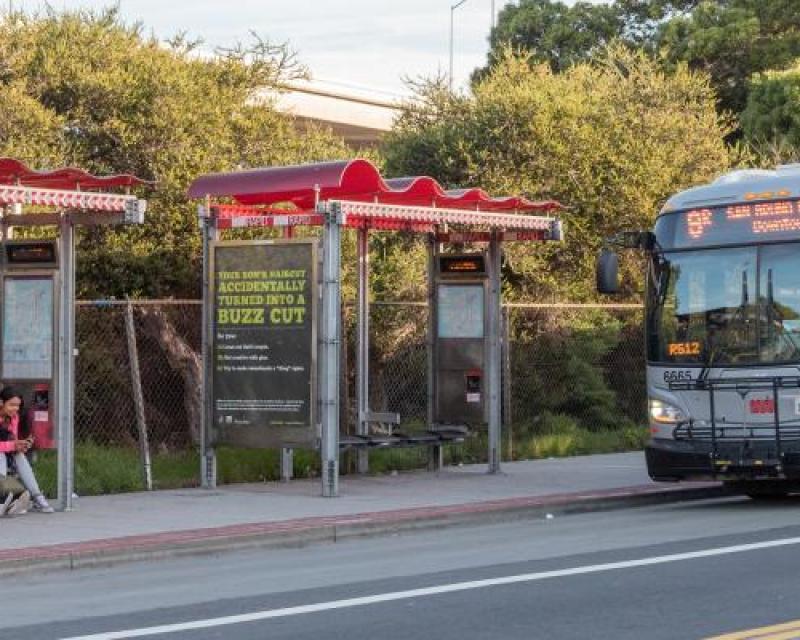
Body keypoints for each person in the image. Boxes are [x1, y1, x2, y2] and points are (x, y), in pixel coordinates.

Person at [0, 387, 54, 514]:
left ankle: (37, 496)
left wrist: (21, 445)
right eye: (12, 405)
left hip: (5, 454)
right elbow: (9, 444)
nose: (15, 409)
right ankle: (3, 496)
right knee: (1, 455)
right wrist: (13, 445)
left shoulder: (14, 418)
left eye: (18, 405)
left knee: (18, 455)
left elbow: (12, 440)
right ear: (1, 402)